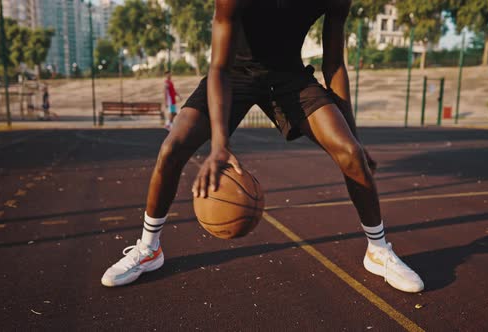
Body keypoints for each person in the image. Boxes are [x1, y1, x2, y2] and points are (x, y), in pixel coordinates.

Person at [101, 0, 423, 293]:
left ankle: (378, 251)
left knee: (352, 154)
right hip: (233, 74)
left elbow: (334, 65)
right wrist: (219, 144)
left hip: (288, 75)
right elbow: (219, 69)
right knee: (172, 149)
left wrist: (353, 136)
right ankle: (149, 248)